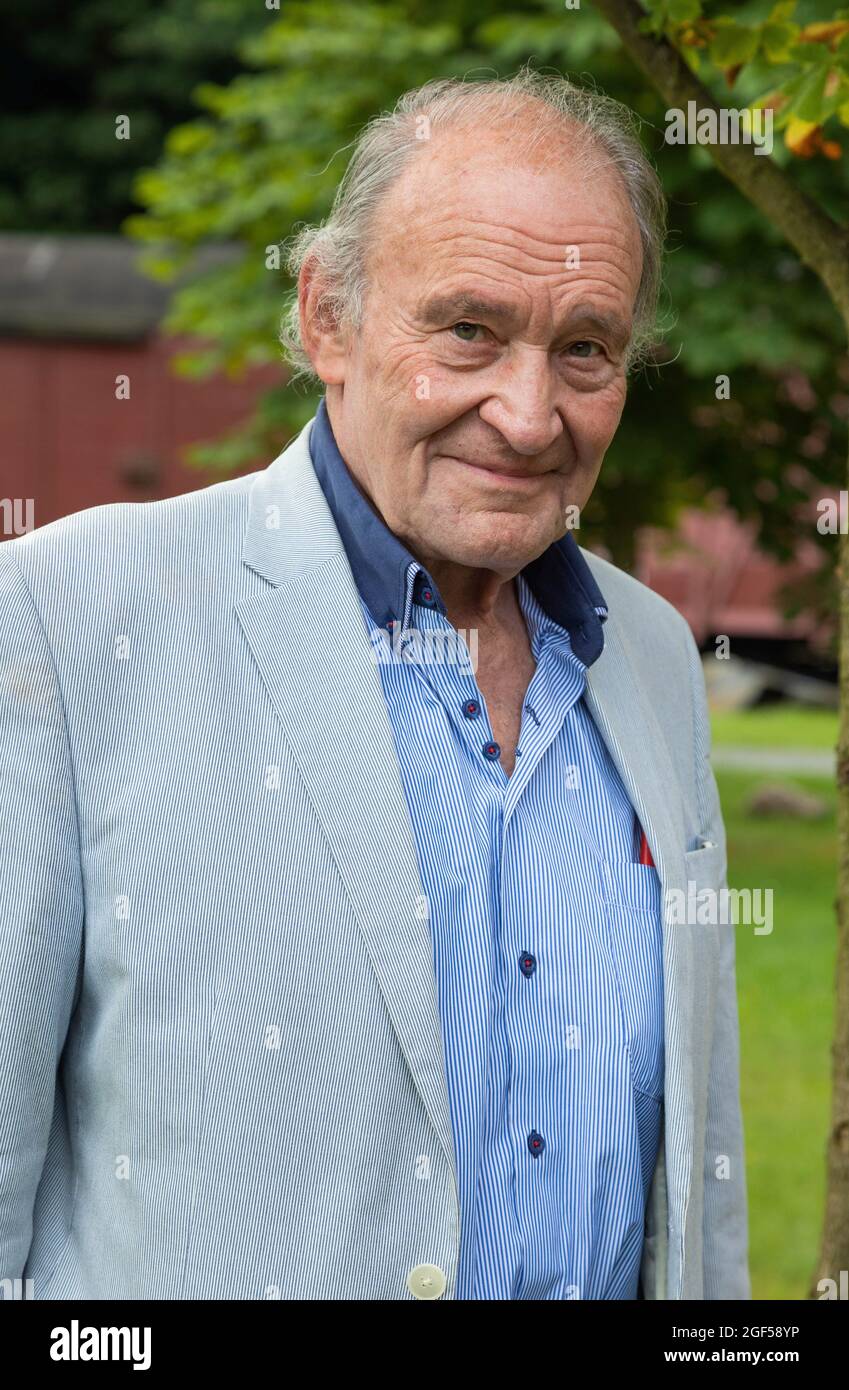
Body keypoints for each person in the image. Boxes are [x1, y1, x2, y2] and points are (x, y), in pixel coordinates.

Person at [0, 68, 749, 1300]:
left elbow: (697, 1195)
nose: (527, 414)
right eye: (467, 329)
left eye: (585, 350)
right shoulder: (69, 620)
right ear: (328, 319)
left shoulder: (656, 654)